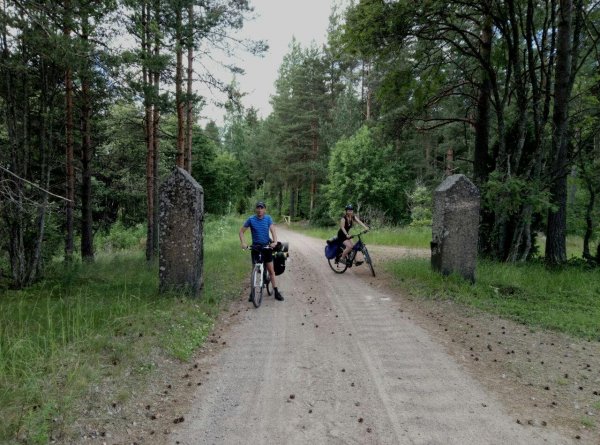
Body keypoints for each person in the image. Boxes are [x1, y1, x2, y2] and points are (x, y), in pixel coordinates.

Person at [239, 201, 284, 301]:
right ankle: (252, 293)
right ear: (256, 209)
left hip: (266, 247)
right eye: (258, 208)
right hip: (255, 248)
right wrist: (243, 242)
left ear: (265, 209)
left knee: (271, 271)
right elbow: (241, 231)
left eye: (262, 208)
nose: (260, 210)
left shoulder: (268, 218)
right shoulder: (251, 219)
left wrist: (275, 242)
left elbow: (273, 230)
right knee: (254, 270)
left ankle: (276, 291)